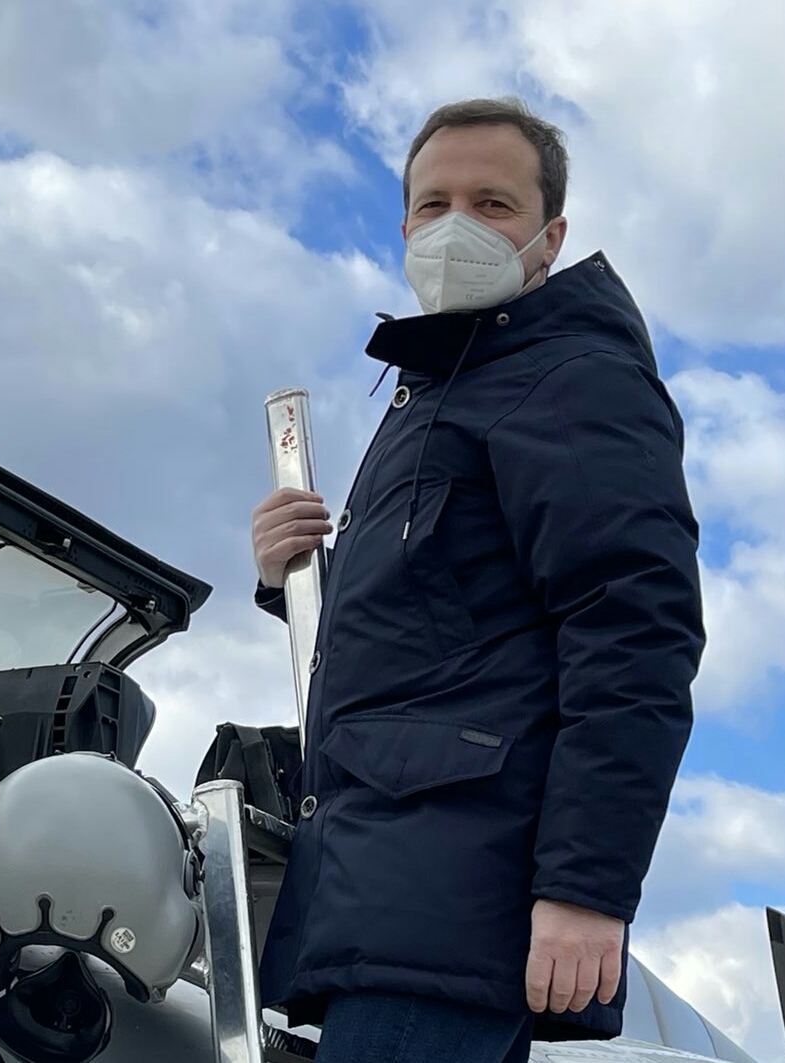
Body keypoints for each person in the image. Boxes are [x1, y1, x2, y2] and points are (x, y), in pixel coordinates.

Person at [250, 97, 705, 1063]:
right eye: (433, 204)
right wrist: (291, 577)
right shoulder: (441, 391)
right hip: (385, 894)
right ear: (404, 226)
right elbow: (432, 636)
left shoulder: (572, 378)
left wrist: (585, 887)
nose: (455, 225)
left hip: (457, 903)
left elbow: (635, 634)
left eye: (491, 203)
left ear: (550, 236)